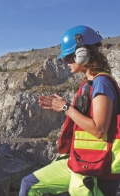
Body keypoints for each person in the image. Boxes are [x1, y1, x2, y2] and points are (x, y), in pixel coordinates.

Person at [19, 25, 120, 196]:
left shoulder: (101, 83)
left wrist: (66, 108)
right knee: (30, 185)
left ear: (82, 53)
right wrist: (62, 107)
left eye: (68, 56)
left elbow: (99, 129)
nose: (66, 62)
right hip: (81, 159)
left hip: (97, 167)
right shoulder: (89, 83)